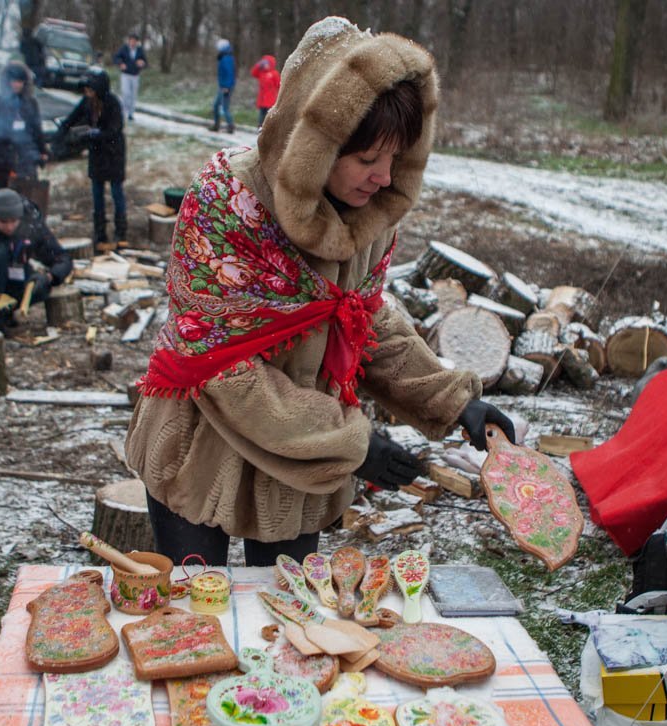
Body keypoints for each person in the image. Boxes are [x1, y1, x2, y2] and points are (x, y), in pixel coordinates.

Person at [125, 17, 515, 566]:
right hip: (201, 449)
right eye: (365, 158)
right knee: (197, 620)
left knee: (289, 627)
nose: (383, 177)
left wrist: (454, 400)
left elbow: (363, 319)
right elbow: (219, 365)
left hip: (298, 473)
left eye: (395, 157)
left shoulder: (369, 214)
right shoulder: (226, 204)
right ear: (315, 145)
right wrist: (350, 443)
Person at [0, 188, 72, 330]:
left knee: (40, 288)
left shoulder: (32, 222)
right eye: (4, 222)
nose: (9, 227)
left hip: (18, 274)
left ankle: (10, 309)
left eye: (14, 221)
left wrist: (49, 277)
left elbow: (62, 258)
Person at [57, 67, 127, 252]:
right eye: (86, 90)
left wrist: (94, 134)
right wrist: (62, 131)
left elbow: (115, 129)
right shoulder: (87, 102)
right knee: (97, 192)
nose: (87, 93)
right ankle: (100, 230)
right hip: (97, 154)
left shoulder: (112, 103)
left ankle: (121, 230)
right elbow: (72, 118)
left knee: (116, 191)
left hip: (113, 153)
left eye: (90, 89)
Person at [0, 62, 48, 188]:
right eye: (13, 81)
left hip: (26, 156)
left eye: (20, 81)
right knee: (3, 193)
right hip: (2, 156)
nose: (16, 85)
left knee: (27, 192)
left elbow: (36, 129)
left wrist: (43, 151)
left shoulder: (31, 103)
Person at [113, 33, 147, 122]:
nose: (133, 43)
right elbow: (116, 57)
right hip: (125, 74)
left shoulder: (140, 50)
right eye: (131, 41)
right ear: (129, 41)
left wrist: (142, 63)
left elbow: (145, 62)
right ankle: (123, 112)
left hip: (135, 75)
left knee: (133, 95)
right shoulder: (124, 49)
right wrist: (120, 63)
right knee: (126, 93)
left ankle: (131, 114)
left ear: (137, 42)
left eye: (134, 41)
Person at [211, 38, 236, 134]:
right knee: (216, 105)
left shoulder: (226, 58)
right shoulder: (224, 57)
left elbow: (229, 73)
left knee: (224, 108)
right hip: (223, 86)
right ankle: (216, 125)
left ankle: (230, 126)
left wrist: (227, 87)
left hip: (226, 87)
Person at [250, 54, 281, 128]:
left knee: (268, 116)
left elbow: (279, 85)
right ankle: (260, 128)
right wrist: (258, 65)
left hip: (270, 100)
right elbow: (253, 73)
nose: (265, 65)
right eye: (264, 63)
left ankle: (268, 129)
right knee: (261, 115)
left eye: (266, 63)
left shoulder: (274, 73)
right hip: (262, 99)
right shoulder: (261, 73)